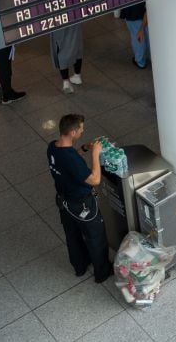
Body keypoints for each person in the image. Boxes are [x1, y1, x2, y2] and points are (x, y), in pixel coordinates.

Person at [47, 113, 112, 283]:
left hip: (64, 202)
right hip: (81, 204)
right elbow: (95, 180)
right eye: (81, 129)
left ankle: (80, 266)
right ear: (73, 132)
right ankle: (102, 272)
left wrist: (83, 148)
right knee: (96, 236)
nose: (83, 131)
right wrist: (95, 154)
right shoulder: (71, 160)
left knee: (72, 236)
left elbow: (68, 159)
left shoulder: (53, 147)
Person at [50, 25, 84, 95]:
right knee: (76, 43)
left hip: (57, 20)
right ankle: (77, 75)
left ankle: (66, 82)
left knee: (60, 47)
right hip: (74, 17)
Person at [119, 2, 149, 69]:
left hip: (132, 10)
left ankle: (140, 61)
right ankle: (151, 56)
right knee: (147, 34)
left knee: (138, 37)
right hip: (145, 8)